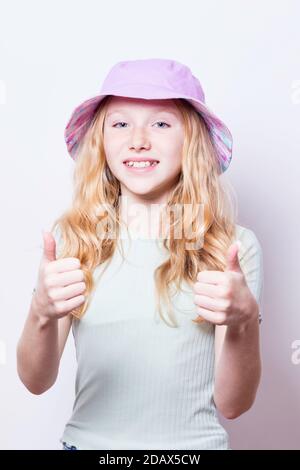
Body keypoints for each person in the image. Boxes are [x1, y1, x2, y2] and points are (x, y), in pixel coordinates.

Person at [16, 58, 264, 450]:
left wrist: (244, 321)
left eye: (162, 123)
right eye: (120, 124)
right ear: (102, 142)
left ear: (193, 142)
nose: (138, 140)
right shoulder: (74, 238)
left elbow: (233, 404)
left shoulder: (231, 247)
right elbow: (35, 380)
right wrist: (42, 312)